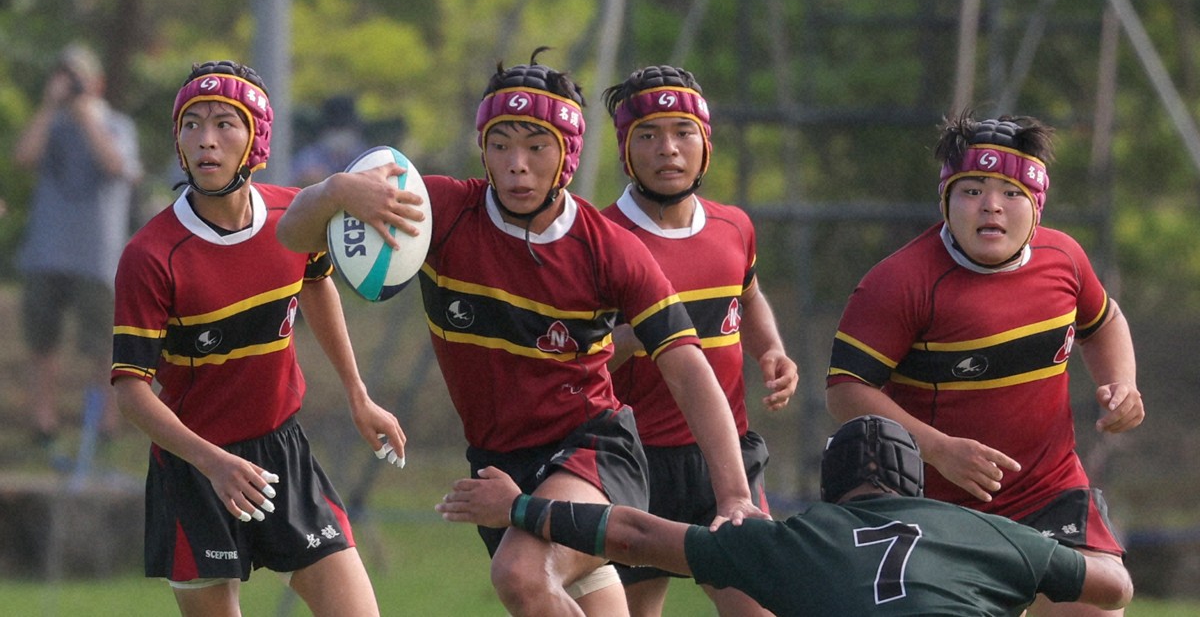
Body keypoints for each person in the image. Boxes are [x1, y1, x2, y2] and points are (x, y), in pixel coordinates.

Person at [276, 48, 767, 617]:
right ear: (482, 149)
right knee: (544, 590)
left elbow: (688, 367)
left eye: (537, 147)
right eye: (501, 144)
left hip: (592, 450)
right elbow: (293, 235)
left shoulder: (608, 249)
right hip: (498, 461)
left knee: (521, 573)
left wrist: (735, 495)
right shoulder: (441, 212)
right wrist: (336, 191)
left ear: (568, 155)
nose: (516, 165)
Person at [111, 60, 406, 617]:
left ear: (257, 139)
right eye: (192, 124)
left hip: (282, 454)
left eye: (224, 124)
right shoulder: (150, 255)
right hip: (195, 467)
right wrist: (214, 463)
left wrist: (358, 394)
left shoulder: (291, 217)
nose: (206, 140)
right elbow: (130, 391)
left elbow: (315, 283)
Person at [825, 111, 1144, 616]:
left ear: (1036, 206)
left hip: (1049, 490)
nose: (991, 205)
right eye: (972, 190)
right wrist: (939, 450)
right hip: (940, 510)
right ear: (945, 200)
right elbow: (845, 390)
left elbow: (1104, 322)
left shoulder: (1064, 258)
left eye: (1012, 193)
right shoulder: (899, 282)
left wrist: (1121, 383)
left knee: (1104, 597)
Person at [437, 414, 1134, 616]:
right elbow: (1112, 588)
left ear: (831, 490)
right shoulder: (985, 533)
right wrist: (1022, 570)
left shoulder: (792, 539)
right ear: (917, 487)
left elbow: (634, 533)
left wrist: (518, 505)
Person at [598, 64, 797, 617]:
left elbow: (748, 296)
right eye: (648, 134)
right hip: (634, 463)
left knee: (761, 607)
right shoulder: (601, 238)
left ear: (705, 143)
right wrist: (630, 340)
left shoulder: (734, 227)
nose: (668, 149)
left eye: (683, 132)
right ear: (625, 149)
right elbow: (571, 362)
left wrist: (770, 350)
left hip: (724, 459)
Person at [13, 42, 142, 447]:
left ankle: (105, 422)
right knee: (42, 341)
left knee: (103, 345)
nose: (70, 84)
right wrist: (49, 107)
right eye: (64, 76)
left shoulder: (117, 125)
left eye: (78, 77)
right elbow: (23, 158)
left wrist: (87, 117)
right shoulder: (50, 125)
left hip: (97, 256)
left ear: (97, 83)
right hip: (46, 252)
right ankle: (44, 421)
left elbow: (117, 165)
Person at [292, 95, 369, 186]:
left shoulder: (364, 156)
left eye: (344, 129)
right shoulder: (308, 159)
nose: (340, 136)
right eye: (335, 130)